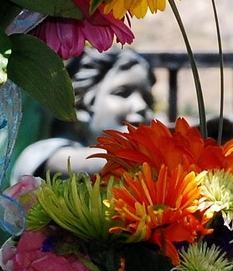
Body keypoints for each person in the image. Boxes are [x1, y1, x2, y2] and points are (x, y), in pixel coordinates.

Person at [12, 47, 158, 179]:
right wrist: (158, 156)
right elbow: (74, 164)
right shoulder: (47, 153)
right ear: (83, 103)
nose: (141, 106)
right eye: (122, 93)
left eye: (149, 100)